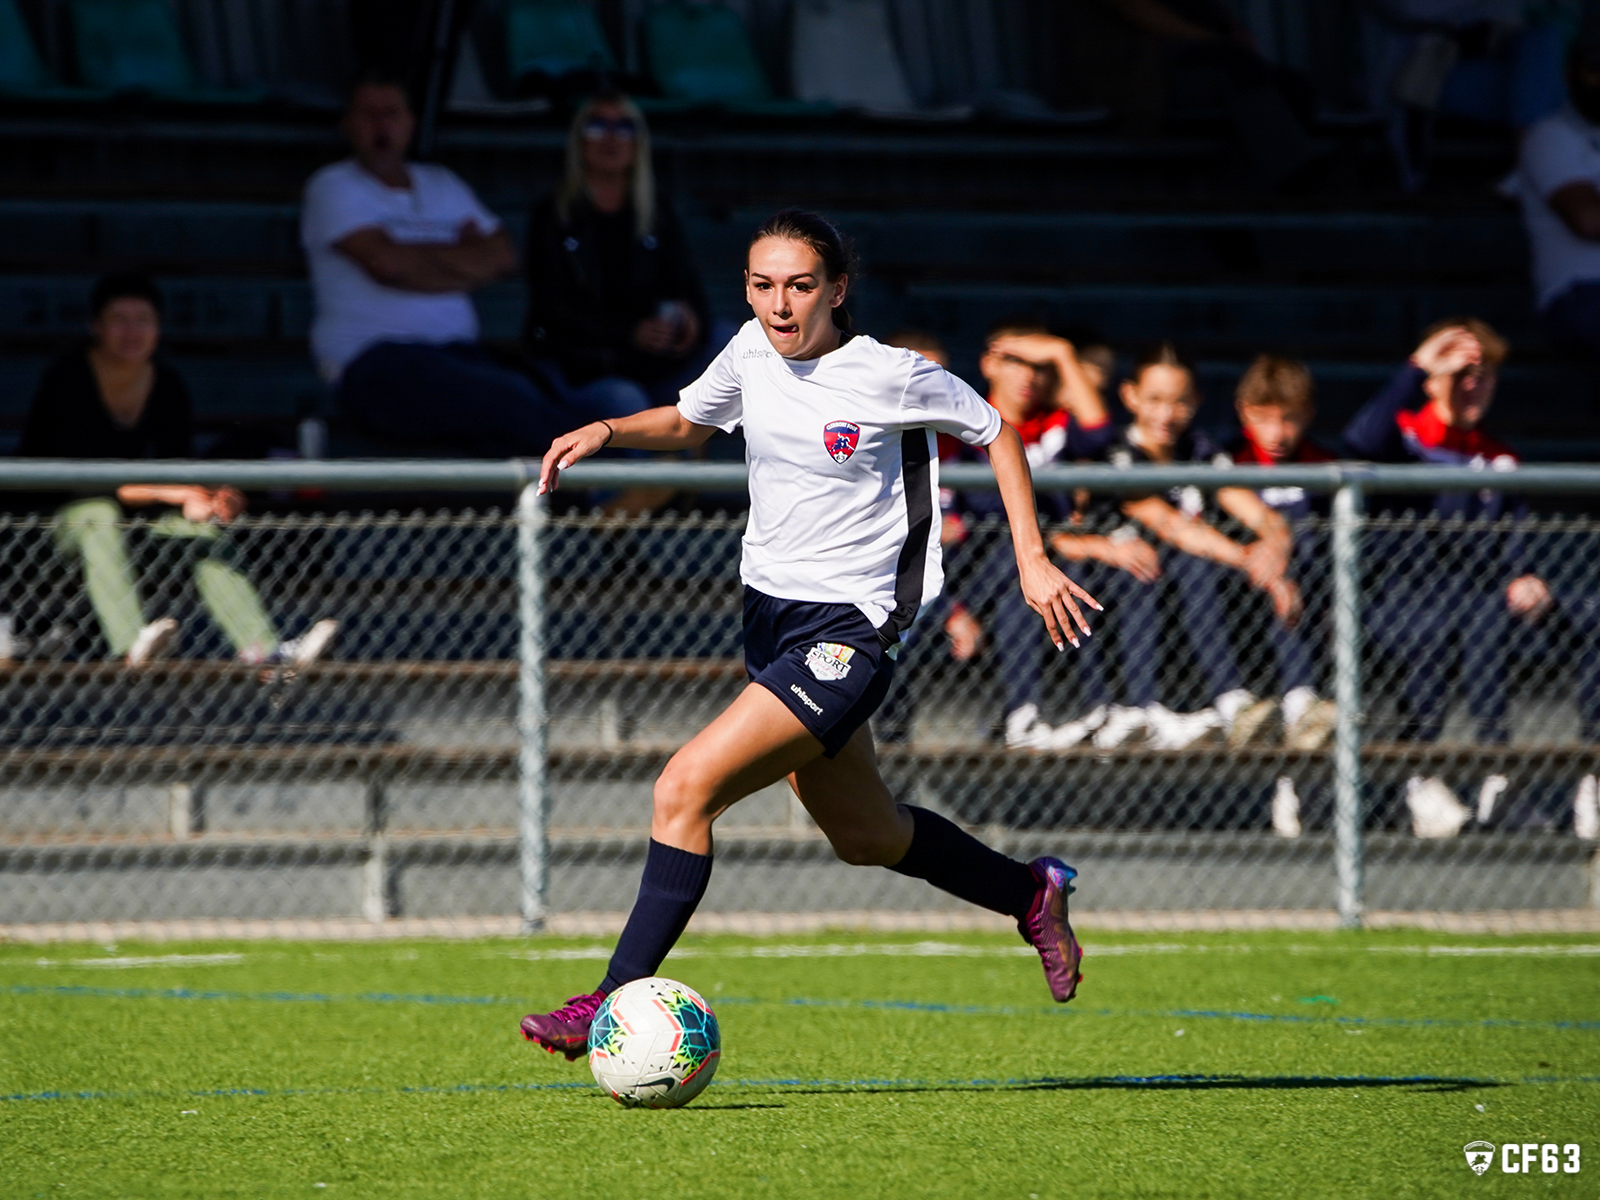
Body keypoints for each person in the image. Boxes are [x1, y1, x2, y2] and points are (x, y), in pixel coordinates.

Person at [520, 210, 1096, 1059]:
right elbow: (691, 421)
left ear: (837, 290)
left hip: (852, 629)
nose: (779, 305)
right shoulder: (751, 349)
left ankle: (607, 1002)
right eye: (762, 286)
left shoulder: (891, 374)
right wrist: (608, 430)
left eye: (798, 286)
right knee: (867, 836)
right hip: (770, 619)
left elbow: (996, 431)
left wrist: (1033, 559)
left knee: (685, 787)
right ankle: (1031, 893)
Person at [303, 74, 642, 456]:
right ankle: (613, 479)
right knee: (503, 397)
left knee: (554, 387)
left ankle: (624, 484)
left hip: (459, 354)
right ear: (348, 124)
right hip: (375, 363)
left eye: (391, 114)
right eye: (369, 115)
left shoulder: (440, 183)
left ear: (410, 123)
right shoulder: (333, 185)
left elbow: (500, 255)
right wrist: (456, 261)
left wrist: (415, 260)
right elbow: (388, 264)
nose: (382, 126)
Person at [18, 273, 336, 666]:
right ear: (95, 327)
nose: (132, 331)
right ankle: (131, 645)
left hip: (135, 528)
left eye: (143, 319)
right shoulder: (67, 380)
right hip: (52, 533)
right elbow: (89, 480)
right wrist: (177, 492)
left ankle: (263, 651)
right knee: (98, 515)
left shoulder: (166, 383)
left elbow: (177, 467)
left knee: (199, 531)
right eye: (120, 319)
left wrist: (210, 497)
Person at [1341, 318, 1547, 837]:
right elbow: (1360, 440)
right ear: (1432, 380)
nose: (1474, 387)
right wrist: (1417, 365)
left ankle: (1523, 775)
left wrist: (1526, 576)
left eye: (1485, 376)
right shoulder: (1403, 437)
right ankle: (1422, 776)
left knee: (1577, 612)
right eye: (1461, 375)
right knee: (1440, 622)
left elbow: (1513, 545)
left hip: (1478, 607)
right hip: (1399, 602)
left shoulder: (1498, 458)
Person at [1072, 343, 1301, 751]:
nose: (1166, 414)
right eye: (1155, 400)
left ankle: (1300, 700)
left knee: (1286, 560)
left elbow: (1260, 513)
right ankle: (1219, 701)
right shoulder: (1118, 455)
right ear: (1130, 396)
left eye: (1179, 402)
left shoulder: (1200, 450)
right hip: (1117, 587)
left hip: (1188, 591)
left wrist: (1275, 549)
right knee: (1184, 561)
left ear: (1196, 401)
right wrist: (1250, 559)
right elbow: (1171, 525)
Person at [939, 321, 1120, 748]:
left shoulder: (1054, 426)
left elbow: (1100, 435)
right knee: (1016, 560)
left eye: (1039, 367)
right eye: (1015, 362)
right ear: (988, 364)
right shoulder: (963, 427)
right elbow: (987, 516)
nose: (1028, 376)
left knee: (1071, 575)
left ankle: (1086, 711)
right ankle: (1027, 713)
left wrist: (1062, 353)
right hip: (976, 573)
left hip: (1040, 565)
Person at [522, 92, 721, 413]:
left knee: (732, 342)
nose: (612, 138)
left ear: (638, 142)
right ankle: (656, 455)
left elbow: (688, 289)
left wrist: (688, 320)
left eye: (625, 127)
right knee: (626, 401)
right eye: (598, 126)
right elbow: (551, 308)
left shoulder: (656, 211)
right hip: (583, 368)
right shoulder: (553, 214)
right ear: (579, 140)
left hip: (653, 364)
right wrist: (630, 333)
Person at [1220, 355, 1339, 838]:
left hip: (1309, 609)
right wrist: (1272, 569)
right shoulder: (1230, 461)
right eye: (1264, 417)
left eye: (1289, 417)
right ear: (1243, 413)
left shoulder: (1323, 466)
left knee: (1311, 546)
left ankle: (1301, 714)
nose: (1277, 430)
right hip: (1240, 607)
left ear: (1307, 415)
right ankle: (1296, 699)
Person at [1512, 38, 1600, 359]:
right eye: (1593, 68)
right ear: (1569, 73)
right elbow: (1589, 220)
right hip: (1580, 294)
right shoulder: (1550, 135)